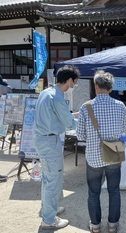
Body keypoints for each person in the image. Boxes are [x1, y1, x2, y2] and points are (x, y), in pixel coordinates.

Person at [76, 70, 126, 233]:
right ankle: (113, 225)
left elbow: (80, 135)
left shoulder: (86, 107)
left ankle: (95, 226)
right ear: (111, 88)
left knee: (93, 193)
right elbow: (122, 130)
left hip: (93, 156)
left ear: (95, 85)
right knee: (114, 191)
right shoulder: (121, 106)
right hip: (114, 154)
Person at [34, 65, 80, 230]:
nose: (74, 85)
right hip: (50, 142)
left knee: (48, 178)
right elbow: (68, 123)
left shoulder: (46, 93)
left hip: (41, 139)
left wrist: (74, 114)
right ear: (69, 80)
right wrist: (84, 121)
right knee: (53, 179)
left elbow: (59, 116)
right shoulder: (58, 97)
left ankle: (49, 208)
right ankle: (49, 219)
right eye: (74, 82)